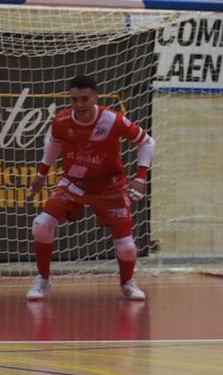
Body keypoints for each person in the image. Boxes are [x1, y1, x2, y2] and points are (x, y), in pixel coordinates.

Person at [25, 75, 155, 301]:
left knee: (126, 247)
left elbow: (147, 142)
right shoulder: (62, 121)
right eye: (74, 100)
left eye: (85, 99)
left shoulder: (113, 120)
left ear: (96, 97)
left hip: (109, 186)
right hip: (74, 184)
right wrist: (41, 174)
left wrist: (141, 178)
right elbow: (53, 144)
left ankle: (127, 283)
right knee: (41, 225)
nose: (79, 105)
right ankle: (43, 280)